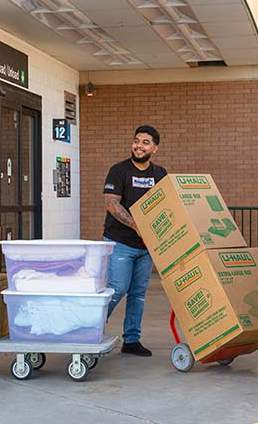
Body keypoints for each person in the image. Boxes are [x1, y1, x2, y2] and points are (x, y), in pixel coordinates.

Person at [103, 125, 167, 357]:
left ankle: (131, 340)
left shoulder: (160, 174)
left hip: (147, 246)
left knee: (138, 293)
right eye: (136, 141)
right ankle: (90, 327)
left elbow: (166, 206)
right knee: (117, 288)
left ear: (155, 148)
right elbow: (112, 204)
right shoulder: (119, 171)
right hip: (120, 241)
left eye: (146, 142)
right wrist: (135, 225)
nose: (139, 146)